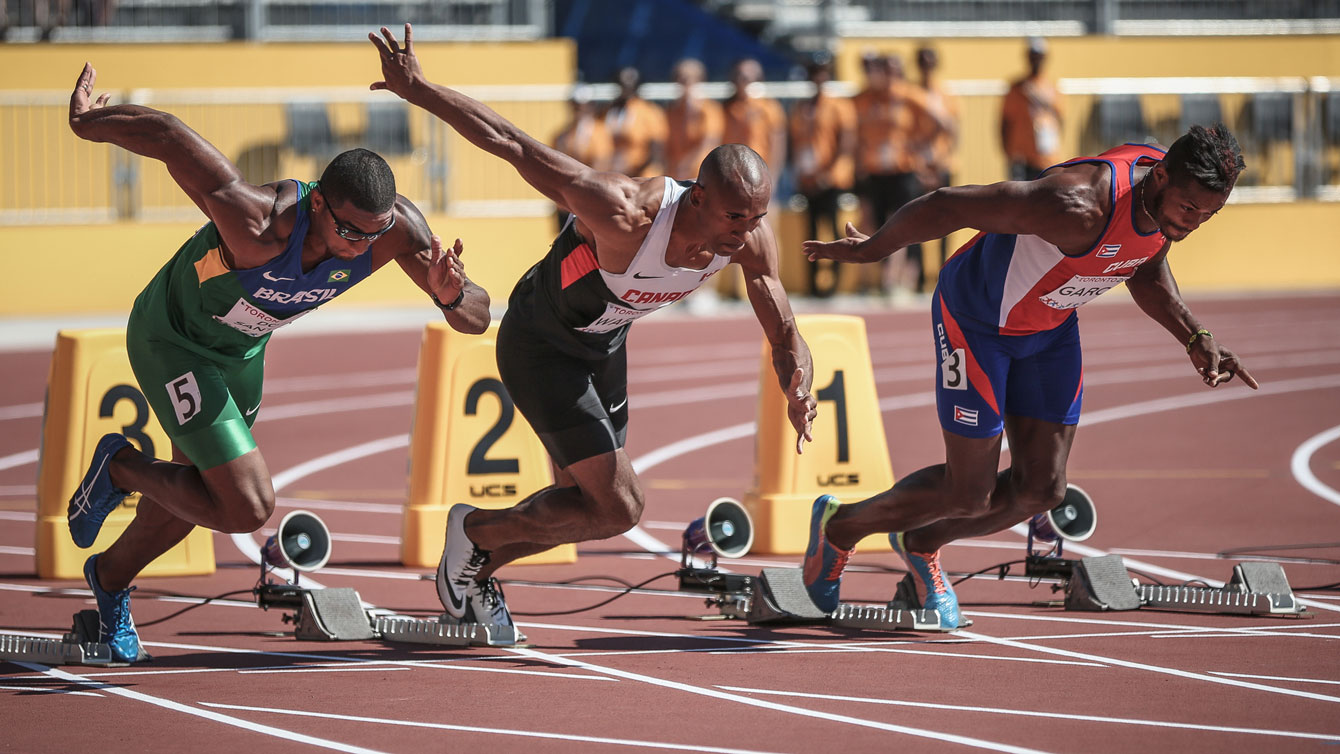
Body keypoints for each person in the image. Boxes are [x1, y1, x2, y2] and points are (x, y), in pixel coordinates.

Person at [368, 24, 818, 631]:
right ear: (699, 196)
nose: (746, 232)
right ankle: (471, 531)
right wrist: (419, 90)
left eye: (758, 217)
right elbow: (512, 144)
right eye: (736, 216)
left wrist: (799, 383)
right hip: (540, 343)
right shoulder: (625, 211)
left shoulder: (748, 239)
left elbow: (785, 330)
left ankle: (476, 564)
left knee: (589, 509)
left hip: (604, 345)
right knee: (621, 506)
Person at [64, 62, 491, 662]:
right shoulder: (258, 223)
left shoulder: (393, 232)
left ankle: (109, 584)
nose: (364, 247)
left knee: (196, 500)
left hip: (241, 353)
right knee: (247, 505)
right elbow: (167, 135)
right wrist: (89, 124)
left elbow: (475, 317)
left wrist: (450, 295)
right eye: (352, 233)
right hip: (172, 341)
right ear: (320, 206)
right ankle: (122, 469)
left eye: (378, 232)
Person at [800, 124, 1257, 627]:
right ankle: (840, 526)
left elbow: (1143, 262)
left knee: (1042, 489)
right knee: (967, 494)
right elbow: (949, 204)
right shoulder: (1075, 203)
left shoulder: (1165, 201)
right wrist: (873, 251)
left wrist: (1194, 335)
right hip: (976, 322)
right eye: (1189, 209)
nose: (1193, 223)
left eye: (1208, 215)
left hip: (1050, 329)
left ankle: (921, 541)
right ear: (1162, 176)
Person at [850, 53, 941, 297]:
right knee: (879, 226)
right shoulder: (869, 99)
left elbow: (941, 123)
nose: (885, 76)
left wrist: (919, 146)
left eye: (891, 70)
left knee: (899, 223)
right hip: (876, 172)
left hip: (903, 172)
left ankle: (895, 279)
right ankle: (887, 278)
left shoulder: (909, 95)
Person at [788, 52, 856, 298]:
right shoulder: (801, 108)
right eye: (813, 73)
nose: (817, 77)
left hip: (831, 180)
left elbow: (846, 144)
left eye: (821, 72)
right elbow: (795, 143)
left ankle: (834, 285)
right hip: (809, 179)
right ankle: (813, 285)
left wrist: (828, 174)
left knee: (834, 231)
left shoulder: (839, 106)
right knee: (811, 234)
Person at [914, 44, 960, 287]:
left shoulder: (945, 94)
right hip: (920, 166)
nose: (926, 67)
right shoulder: (910, 93)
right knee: (916, 219)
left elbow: (954, 131)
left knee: (947, 220)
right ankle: (920, 274)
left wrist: (942, 162)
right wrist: (920, 166)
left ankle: (944, 270)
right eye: (922, 61)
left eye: (929, 61)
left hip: (942, 164)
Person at [1001, 37, 1064, 181]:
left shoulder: (1052, 87)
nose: (1036, 60)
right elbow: (1005, 123)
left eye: (1039, 56)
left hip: (1047, 159)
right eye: (1033, 56)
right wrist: (1009, 154)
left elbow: (1060, 119)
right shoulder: (1017, 88)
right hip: (1022, 159)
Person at [664, 57, 724, 181]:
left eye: (688, 79)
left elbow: (710, 141)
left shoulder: (710, 109)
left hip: (700, 176)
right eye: (679, 79)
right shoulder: (671, 111)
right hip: (674, 175)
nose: (684, 84)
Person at [604, 66, 668, 178]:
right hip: (616, 176)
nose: (624, 89)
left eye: (629, 85)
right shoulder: (610, 111)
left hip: (643, 178)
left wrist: (632, 169)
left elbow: (656, 151)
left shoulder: (650, 111)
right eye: (621, 84)